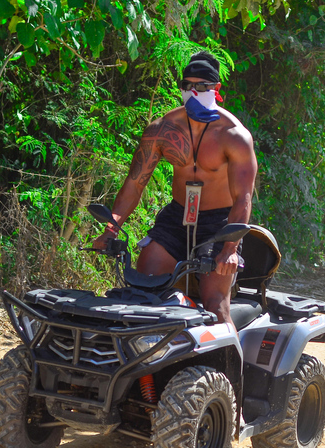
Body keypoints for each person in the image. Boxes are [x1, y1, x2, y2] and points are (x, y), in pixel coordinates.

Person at [93, 51, 257, 326]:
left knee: (215, 307)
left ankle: (230, 369)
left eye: (202, 86)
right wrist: (111, 229)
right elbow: (134, 184)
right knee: (143, 291)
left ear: (216, 89)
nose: (193, 92)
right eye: (187, 85)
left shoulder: (234, 136)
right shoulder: (162, 129)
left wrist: (230, 247)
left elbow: (244, 198)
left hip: (220, 223)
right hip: (177, 217)